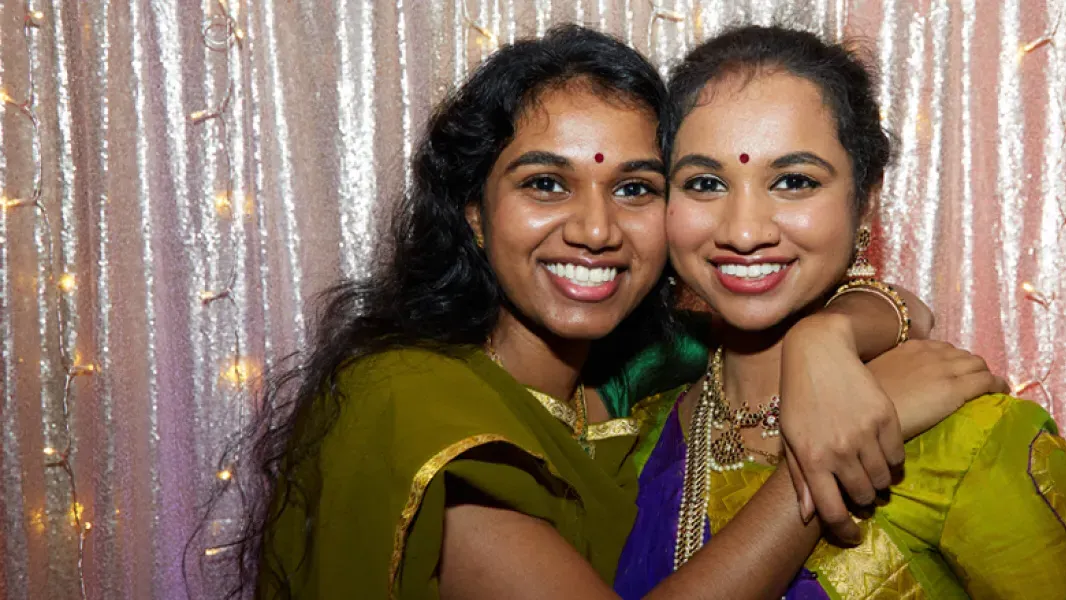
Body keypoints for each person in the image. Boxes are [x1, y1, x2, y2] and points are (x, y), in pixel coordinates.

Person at [198, 25, 991, 600]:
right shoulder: (417, 407)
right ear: (475, 210)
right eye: (546, 182)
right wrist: (819, 471)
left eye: (637, 187)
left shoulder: (641, 376)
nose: (595, 228)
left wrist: (828, 338)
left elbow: (896, 309)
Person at [612, 25, 1066, 599]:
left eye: (794, 181)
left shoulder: (973, 439)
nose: (744, 230)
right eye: (706, 183)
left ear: (866, 202)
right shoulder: (638, 428)